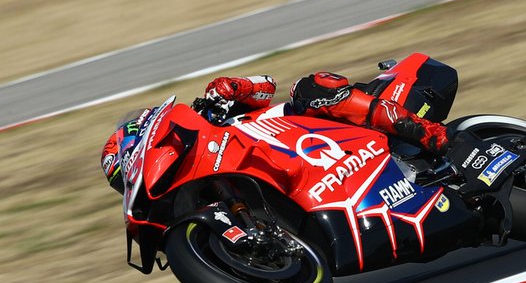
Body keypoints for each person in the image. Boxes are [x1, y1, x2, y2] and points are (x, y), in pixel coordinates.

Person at [101, 71, 450, 192]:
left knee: (309, 88)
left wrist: (230, 89)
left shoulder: (207, 117)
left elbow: (266, 86)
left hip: (317, 132)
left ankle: (429, 133)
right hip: (313, 178)